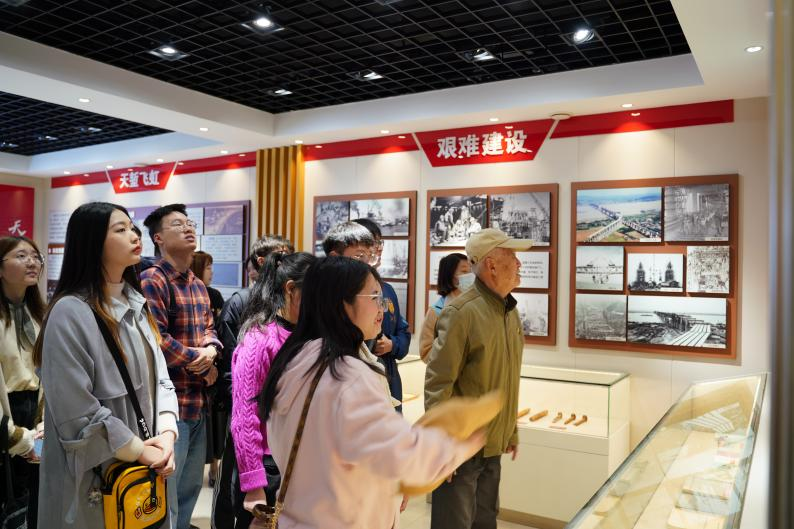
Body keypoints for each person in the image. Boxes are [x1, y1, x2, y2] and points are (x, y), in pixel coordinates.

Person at [260, 256, 485, 528]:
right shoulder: (349, 376)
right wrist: (456, 445)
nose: (383, 308)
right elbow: (403, 459)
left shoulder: (293, 361)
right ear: (342, 303)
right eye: (374, 297)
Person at [33, 202, 178, 528]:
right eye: (120, 229)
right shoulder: (70, 312)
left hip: (145, 472)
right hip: (96, 479)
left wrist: (167, 435)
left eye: (132, 227)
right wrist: (142, 450)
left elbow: (162, 379)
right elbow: (77, 412)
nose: (134, 235)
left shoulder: (137, 303)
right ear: (93, 242)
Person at [425, 228, 532, 529]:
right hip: (460, 448)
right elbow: (438, 382)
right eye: (512, 256)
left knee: (485, 521)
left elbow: (507, 378)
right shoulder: (461, 312)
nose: (519, 264)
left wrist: (510, 431)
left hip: (492, 443)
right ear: (492, 265)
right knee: (453, 523)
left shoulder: (509, 312)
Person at [141, 203, 221, 529]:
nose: (188, 228)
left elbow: (210, 329)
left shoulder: (197, 284)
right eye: (177, 224)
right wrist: (199, 360)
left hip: (197, 401)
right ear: (158, 238)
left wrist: (211, 352)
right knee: (166, 492)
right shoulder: (153, 279)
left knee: (189, 489)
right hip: (169, 406)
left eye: (190, 223)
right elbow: (156, 340)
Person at [212, 235, 292, 529]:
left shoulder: (303, 327)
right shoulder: (245, 308)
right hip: (251, 429)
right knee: (232, 498)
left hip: (284, 447)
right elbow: (234, 370)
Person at [231, 252, 315, 528]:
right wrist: (254, 484)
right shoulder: (259, 340)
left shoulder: (310, 335)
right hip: (269, 467)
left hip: (301, 462)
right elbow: (245, 417)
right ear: (291, 289)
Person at [0, 236, 46, 528]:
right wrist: (19, 439)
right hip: (5, 418)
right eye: (21, 256)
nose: (32, 262)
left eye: (35, 256)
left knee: (30, 504)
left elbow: (48, 374)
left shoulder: (41, 313)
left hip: (36, 417)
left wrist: (42, 429)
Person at [352, 218, 411, 412]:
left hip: (389, 373)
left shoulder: (388, 290)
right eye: (372, 243)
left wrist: (392, 344)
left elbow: (403, 331)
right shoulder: (347, 293)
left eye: (379, 242)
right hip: (359, 377)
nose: (378, 248)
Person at [189, 250, 224, 488]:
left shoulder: (214, 295)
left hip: (212, 360)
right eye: (208, 267)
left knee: (214, 422)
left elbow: (214, 329)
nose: (211, 272)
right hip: (193, 368)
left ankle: (214, 467)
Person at [418, 253, 472, 362]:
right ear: (450, 275)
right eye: (464, 271)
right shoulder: (436, 311)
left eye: (471, 271)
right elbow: (426, 352)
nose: (470, 276)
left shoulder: (476, 305)